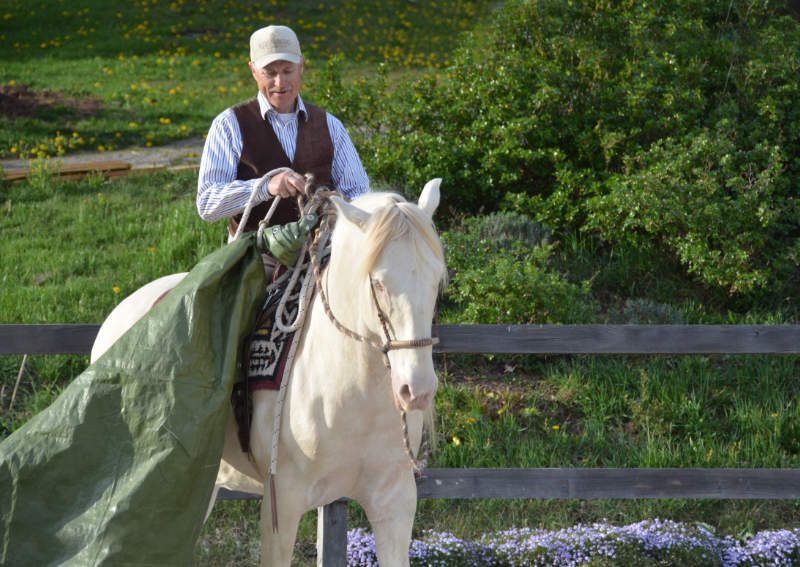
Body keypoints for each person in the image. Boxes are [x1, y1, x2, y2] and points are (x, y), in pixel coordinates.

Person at [196, 24, 370, 242]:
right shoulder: (228, 125)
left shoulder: (330, 125)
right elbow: (207, 203)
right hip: (254, 255)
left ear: (301, 66)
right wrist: (265, 187)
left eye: (288, 71)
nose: (280, 83)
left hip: (322, 250)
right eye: (270, 73)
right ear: (253, 71)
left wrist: (343, 204)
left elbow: (362, 194)